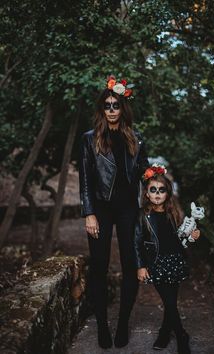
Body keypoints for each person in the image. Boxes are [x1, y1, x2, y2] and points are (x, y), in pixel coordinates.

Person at [78, 75, 149, 349]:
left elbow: (143, 172)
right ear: (102, 109)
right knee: (99, 267)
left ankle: (122, 325)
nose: (111, 110)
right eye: (107, 105)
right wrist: (89, 213)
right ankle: (102, 327)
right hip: (101, 209)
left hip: (129, 209)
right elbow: (85, 178)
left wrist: (155, 180)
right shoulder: (89, 139)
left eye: (115, 105)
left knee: (131, 265)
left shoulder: (136, 138)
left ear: (122, 108)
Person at [134, 165, 200, 354]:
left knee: (170, 301)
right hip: (156, 263)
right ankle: (181, 335)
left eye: (161, 190)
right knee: (169, 301)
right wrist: (140, 266)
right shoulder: (141, 216)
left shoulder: (175, 213)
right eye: (152, 190)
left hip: (175, 261)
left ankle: (164, 332)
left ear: (167, 193)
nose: (157, 194)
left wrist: (193, 236)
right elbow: (136, 243)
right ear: (146, 193)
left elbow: (182, 237)